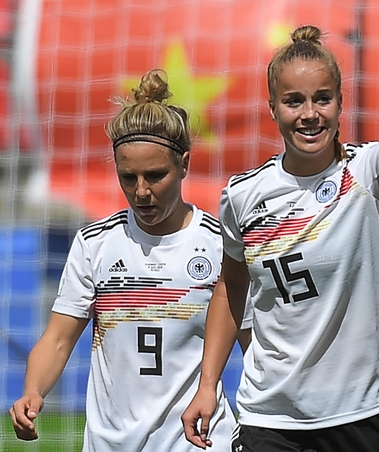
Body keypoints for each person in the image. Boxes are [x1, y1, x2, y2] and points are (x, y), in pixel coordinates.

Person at [180, 4, 379, 451]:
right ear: (272, 107)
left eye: (322, 98)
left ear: (340, 102)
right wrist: (207, 385)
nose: (309, 114)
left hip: (365, 411)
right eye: (294, 101)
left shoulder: (369, 174)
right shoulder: (242, 194)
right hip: (271, 415)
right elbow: (230, 288)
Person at [7, 69, 251, 450]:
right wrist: (32, 391)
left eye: (155, 175)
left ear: (184, 164)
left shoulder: (221, 244)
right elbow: (58, 338)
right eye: (128, 177)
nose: (141, 192)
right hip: (112, 443)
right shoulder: (95, 243)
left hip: (199, 441)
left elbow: (254, 343)